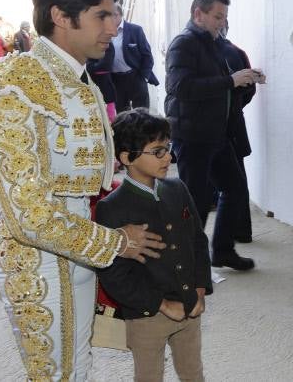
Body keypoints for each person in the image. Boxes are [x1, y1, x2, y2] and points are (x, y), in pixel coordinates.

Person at [0, 0, 165, 381]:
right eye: (102, 15)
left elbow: (88, 176)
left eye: (116, 15)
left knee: (76, 368)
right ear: (60, 16)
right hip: (37, 262)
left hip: (78, 254)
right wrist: (115, 244)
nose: (113, 28)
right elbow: (28, 214)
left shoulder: (79, 81)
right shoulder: (15, 84)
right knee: (57, 374)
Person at [96, 108, 212, 382]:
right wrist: (160, 304)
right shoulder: (110, 209)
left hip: (188, 305)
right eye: (158, 151)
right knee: (149, 376)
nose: (169, 157)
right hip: (147, 314)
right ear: (127, 157)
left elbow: (197, 241)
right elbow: (114, 275)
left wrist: (199, 290)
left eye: (168, 148)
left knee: (194, 373)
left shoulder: (178, 189)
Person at [165, 0, 262, 271]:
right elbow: (180, 87)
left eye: (224, 17)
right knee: (196, 200)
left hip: (217, 135)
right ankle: (189, 260)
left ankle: (222, 251)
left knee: (234, 189)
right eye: (218, 16)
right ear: (199, 14)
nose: (222, 22)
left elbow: (221, 82)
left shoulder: (214, 43)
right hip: (193, 136)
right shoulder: (183, 44)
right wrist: (230, 81)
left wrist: (246, 79)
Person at [216, 20, 263, 243]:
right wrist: (235, 108)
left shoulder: (211, 52)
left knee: (227, 183)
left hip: (218, 129)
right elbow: (249, 89)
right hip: (234, 125)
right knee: (237, 180)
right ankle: (241, 231)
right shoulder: (236, 51)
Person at [107, 3, 158, 112]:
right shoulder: (105, 32)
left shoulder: (135, 30)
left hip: (135, 76)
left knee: (142, 113)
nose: (112, 18)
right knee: (122, 114)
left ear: (120, 15)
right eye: (109, 15)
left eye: (114, 15)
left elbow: (147, 56)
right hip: (116, 79)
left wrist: (143, 77)